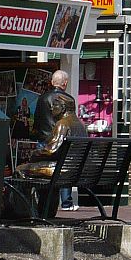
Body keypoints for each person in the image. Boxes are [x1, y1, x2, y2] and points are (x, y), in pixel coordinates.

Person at [33, 70, 77, 209]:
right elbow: (70, 122)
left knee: (43, 171)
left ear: (52, 82)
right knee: (63, 168)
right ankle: (66, 202)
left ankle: (44, 202)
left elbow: (37, 120)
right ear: (65, 83)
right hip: (60, 140)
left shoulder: (42, 98)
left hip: (44, 140)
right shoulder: (68, 100)